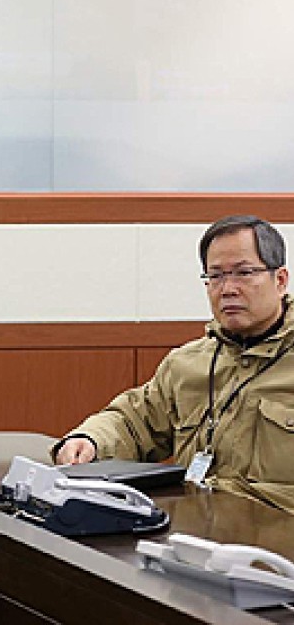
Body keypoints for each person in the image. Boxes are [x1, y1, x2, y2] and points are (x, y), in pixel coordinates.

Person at [54, 215, 294, 512]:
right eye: (215, 276)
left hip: (276, 543)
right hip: (194, 534)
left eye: (243, 273)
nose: (228, 288)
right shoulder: (188, 363)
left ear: (280, 280)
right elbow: (134, 420)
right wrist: (90, 440)